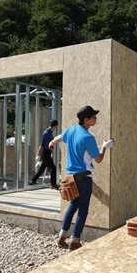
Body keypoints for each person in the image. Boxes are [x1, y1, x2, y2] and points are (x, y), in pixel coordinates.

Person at [51, 106, 114, 251]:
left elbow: (59, 138)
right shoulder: (88, 137)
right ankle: (75, 241)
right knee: (83, 210)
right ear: (86, 119)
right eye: (93, 117)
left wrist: (52, 142)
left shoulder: (71, 130)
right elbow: (98, 159)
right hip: (84, 179)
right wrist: (105, 147)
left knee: (73, 206)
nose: (96, 119)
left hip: (70, 178)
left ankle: (61, 237)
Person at [30, 119, 59, 189]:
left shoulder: (49, 132)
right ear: (55, 126)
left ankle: (33, 180)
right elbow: (41, 145)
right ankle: (53, 184)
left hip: (47, 152)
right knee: (53, 168)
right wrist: (38, 155)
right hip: (45, 153)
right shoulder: (47, 133)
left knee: (42, 168)